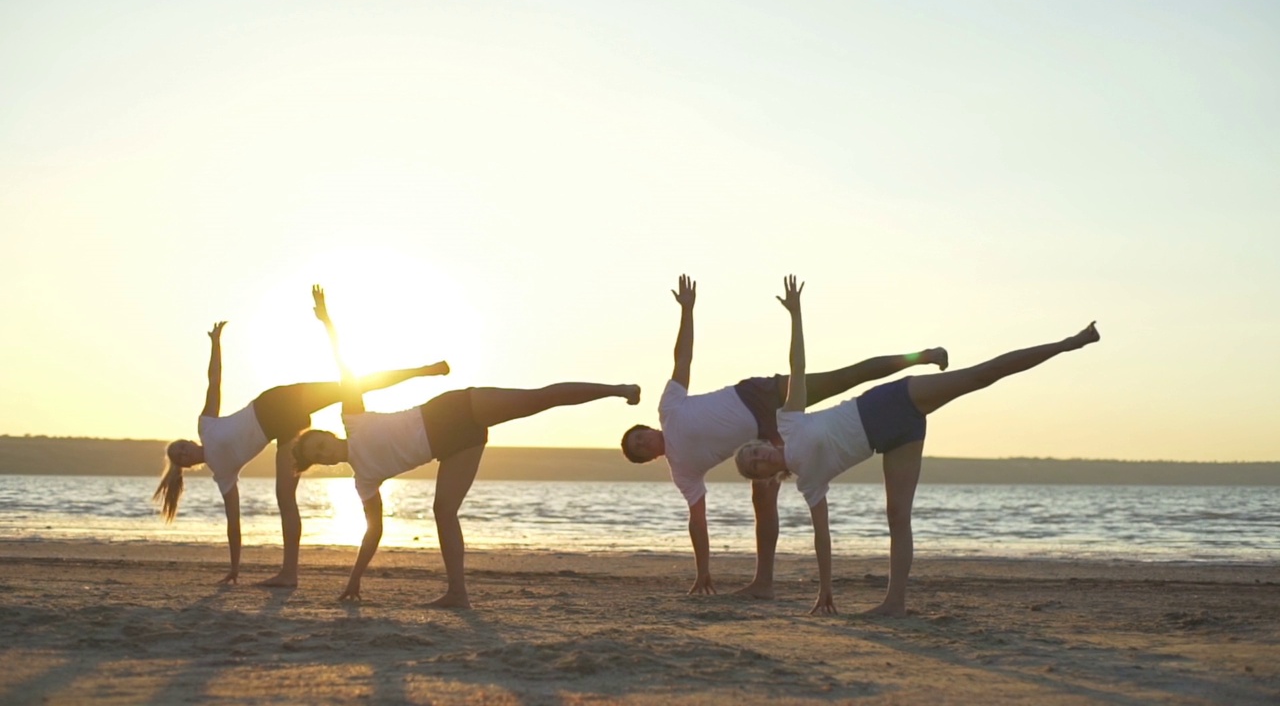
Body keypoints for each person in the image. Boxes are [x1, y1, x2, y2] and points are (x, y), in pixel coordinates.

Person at [735, 275, 1100, 616]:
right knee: (898, 517)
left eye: (753, 451)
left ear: (759, 442)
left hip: (889, 402)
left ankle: (1070, 343)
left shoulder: (789, 420)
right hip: (892, 441)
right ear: (765, 477)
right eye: (755, 465)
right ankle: (895, 603)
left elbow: (797, 367)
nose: (759, 457)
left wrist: (796, 315)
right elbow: (822, 537)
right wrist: (825, 590)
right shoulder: (808, 484)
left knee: (979, 375)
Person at [293, 286, 641, 608]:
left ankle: (618, 389)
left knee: (540, 399)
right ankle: (457, 593)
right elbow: (374, 531)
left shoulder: (352, 420)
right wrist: (355, 580)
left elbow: (345, 369)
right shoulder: (364, 481)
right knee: (443, 511)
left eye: (320, 444)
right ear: (323, 464)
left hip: (453, 409)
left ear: (328, 435)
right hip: (455, 447)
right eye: (319, 456)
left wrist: (327, 321)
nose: (325, 453)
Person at [620, 275, 947, 598]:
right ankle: (764, 583)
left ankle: (923, 356)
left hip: (760, 394)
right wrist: (702, 570)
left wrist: (687, 311)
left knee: (846, 377)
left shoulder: (669, 407)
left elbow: (683, 359)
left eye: (639, 438)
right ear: (649, 458)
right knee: (762, 501)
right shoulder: (682, 471)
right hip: (763, 444)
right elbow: (698, 521)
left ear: (647, 428)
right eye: (640, 450)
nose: (644, 443)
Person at [155, 320, 448, 587]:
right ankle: (289, 574)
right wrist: (234, 568)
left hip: (278, 400)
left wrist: (215, 343)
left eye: (180, 446)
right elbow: (234, 523)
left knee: (351, 386)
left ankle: (425, 370)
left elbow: (214, 382)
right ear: (186, 466)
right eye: (179, 457)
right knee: (285, 497)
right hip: (286, 433)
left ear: (187, 441)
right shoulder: (223, 476)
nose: (183, 453)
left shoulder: (205, 425)